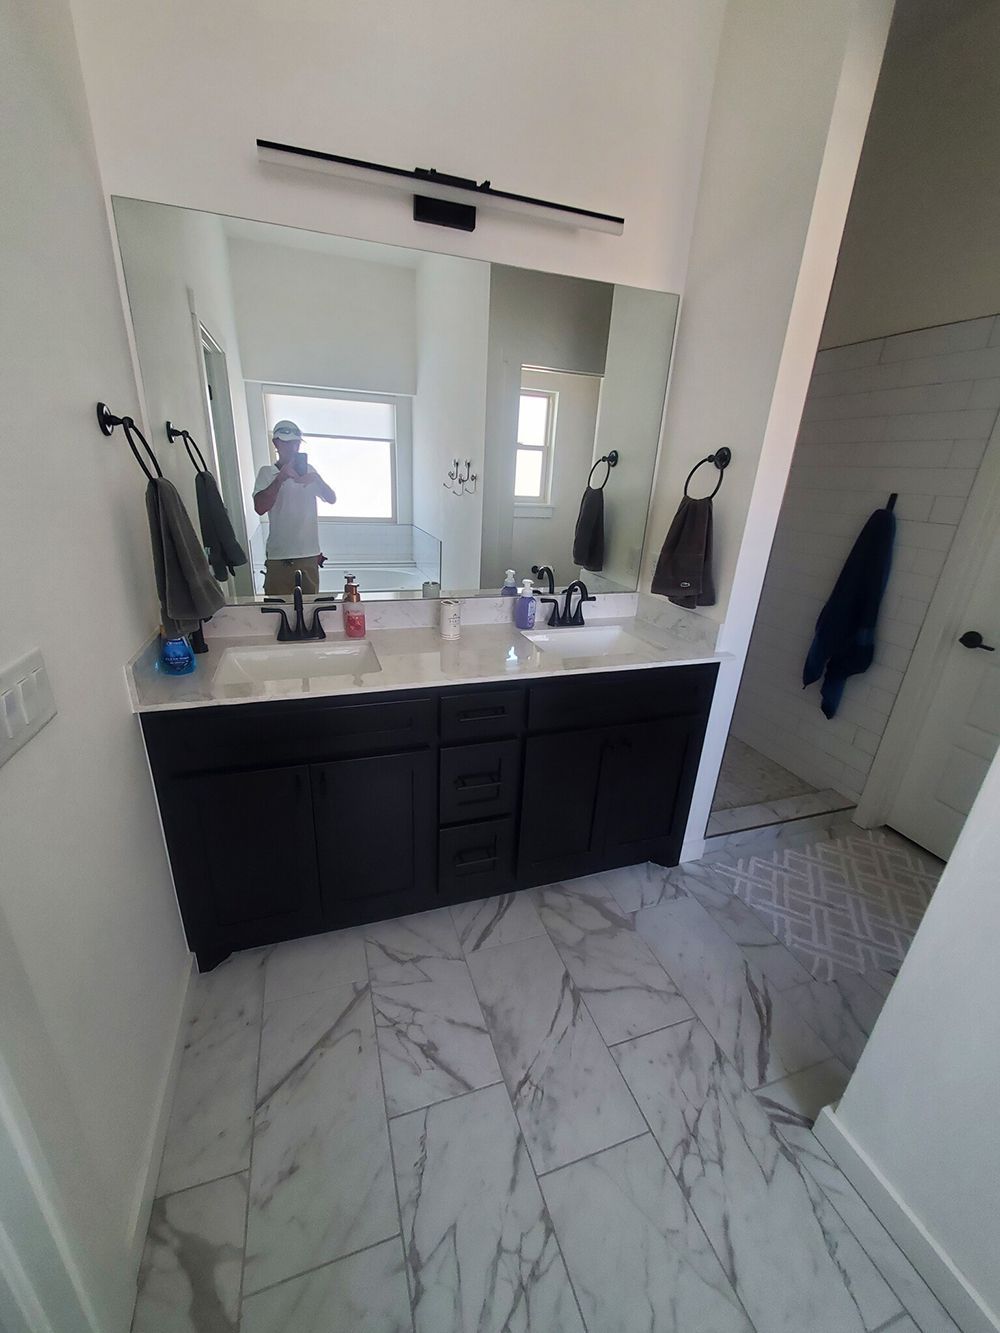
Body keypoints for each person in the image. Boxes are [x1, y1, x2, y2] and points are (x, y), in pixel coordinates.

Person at [252, 420, 336, 595]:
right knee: (279, 611)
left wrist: (317, 479)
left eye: (295, 442)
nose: (292, 447)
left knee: (309, 611)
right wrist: (280, 479)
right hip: (280, 556)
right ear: (276, 443)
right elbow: (260, 508)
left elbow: (331, 499)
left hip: (309, 555)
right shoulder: (267, 473)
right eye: (287, 442)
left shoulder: (309, 470)